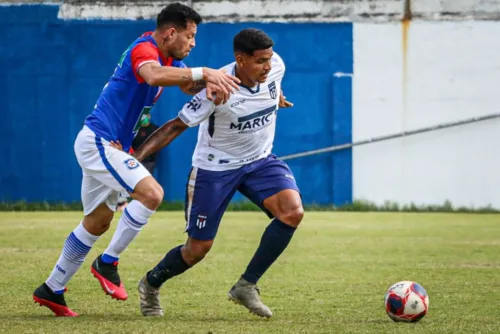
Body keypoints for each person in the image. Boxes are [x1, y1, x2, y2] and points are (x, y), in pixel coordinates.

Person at [32, 2, 239, 317]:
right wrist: (205, 72)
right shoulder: (144, 49)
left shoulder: (166, 55)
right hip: (98, 142)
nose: (193, 43)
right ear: (171, 32)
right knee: (153, 193)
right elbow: (153, 76)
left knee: (98, 221)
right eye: (191, 36)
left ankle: (52, 288)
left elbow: (184, 83)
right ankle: (108, 262)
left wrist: (213, 82)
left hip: (110, 146)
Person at [129, 28, 304, 318]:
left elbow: (274, 83)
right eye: (260, 61)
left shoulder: (276, 68)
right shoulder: (218, 89)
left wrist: (277, 99)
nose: (268, 66)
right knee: (197, 250)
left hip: (259, 161)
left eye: (270, 59)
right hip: (215, 169)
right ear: (241, 60)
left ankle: (246, 286)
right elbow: (175, 126)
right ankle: (151, 283)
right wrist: (134, 160)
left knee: (292, 212)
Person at [116, 113, 159, 211]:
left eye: (147, 115)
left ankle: (145, 203)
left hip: (149, 161)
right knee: (129, 182)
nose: (145, 118)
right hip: (134, 161)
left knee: (146, 184)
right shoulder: (135, 130)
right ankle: (123, 203)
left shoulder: (154, 128)